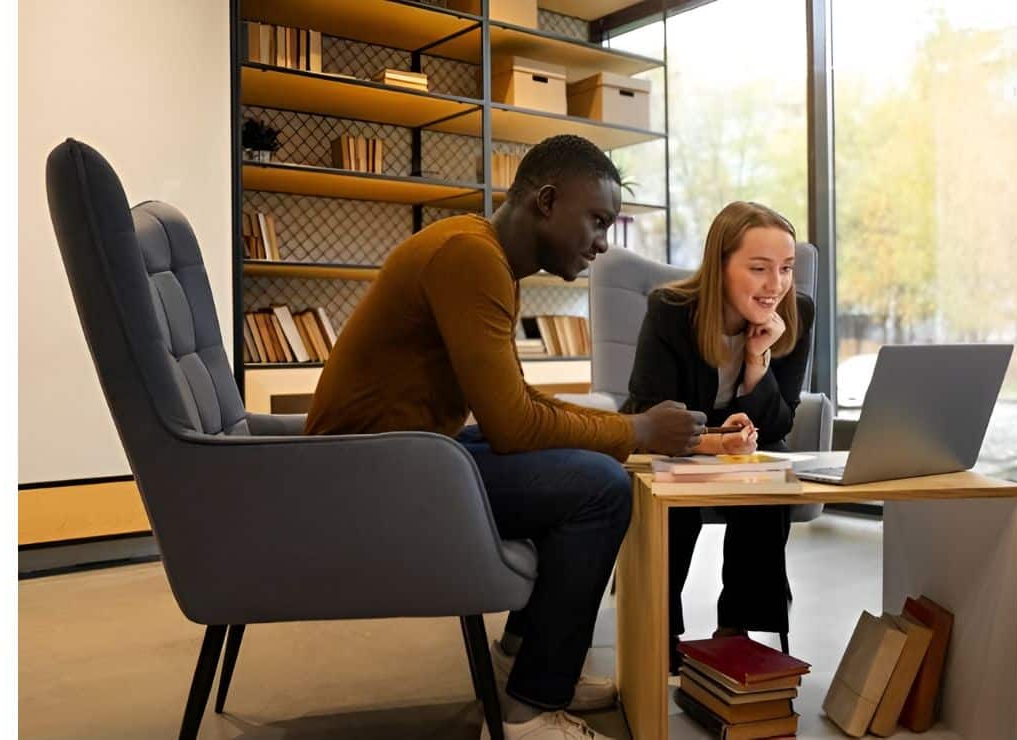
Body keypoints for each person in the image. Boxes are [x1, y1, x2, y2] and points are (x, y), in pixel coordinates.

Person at [306, 135, 705, 739]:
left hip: (401, 456)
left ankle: (523, 657)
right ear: (547, 201)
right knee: (599, 487)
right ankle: (530, 710)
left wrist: (625, 431)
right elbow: (514, 428)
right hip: (369, 472)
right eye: (597, 221)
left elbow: (514, 403)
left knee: (579, 461)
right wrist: (638, 429)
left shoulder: (484, 254)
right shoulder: (470, 258)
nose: (603, 244)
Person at [620, 200, 814, 672]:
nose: (776, 285)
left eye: (786, 269)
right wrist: (713, 443)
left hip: (742, 450)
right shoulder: (670, 311)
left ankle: (736, 630)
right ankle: (661, 627)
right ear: (721, 265)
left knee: (770, 483)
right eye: (759, 269)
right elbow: (652, 416)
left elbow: (780, 421)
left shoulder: (795, 313)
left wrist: (756, 363)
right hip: (669, 445)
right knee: (679, 494)